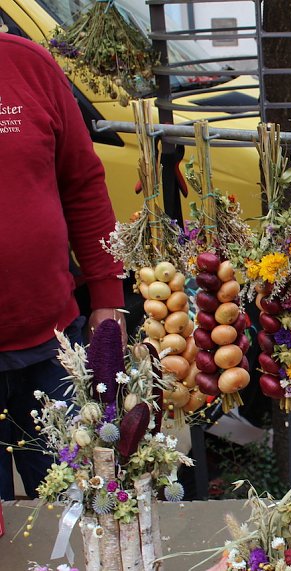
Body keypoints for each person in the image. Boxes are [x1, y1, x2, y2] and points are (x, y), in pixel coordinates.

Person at [0, 32, 126, 499]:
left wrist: (107, 298)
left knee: (76, 510)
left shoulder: (27, 64)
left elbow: (83, 184)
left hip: (52, 344)